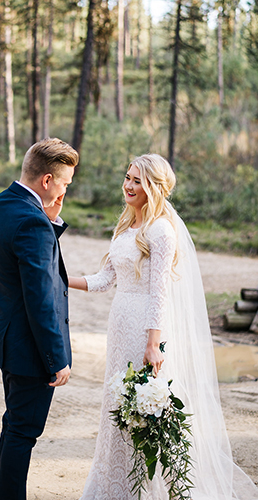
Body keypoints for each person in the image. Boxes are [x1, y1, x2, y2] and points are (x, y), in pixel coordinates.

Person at [69, 153, 258, 499]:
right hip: (120, 322)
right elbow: (105, 279)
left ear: (154, 186)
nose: (128, 185)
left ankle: (146, 490)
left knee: (141, 408)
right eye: (127, 177)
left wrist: (153, 343)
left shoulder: (161, 231)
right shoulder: (127, 225)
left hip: (145, 327)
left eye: (138, 180)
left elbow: (159, 293)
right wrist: (63, 278)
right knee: (118, 405)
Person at [0, 137, 79, 500]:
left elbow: (17, 262)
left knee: (14, 426)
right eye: (65, 183)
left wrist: (49, 218)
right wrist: (57, 359)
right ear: (47, 181)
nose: (65, 190)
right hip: (30, 349)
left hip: (6, 340)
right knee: (23, 432)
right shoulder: (33, 223)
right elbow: (40, 300)